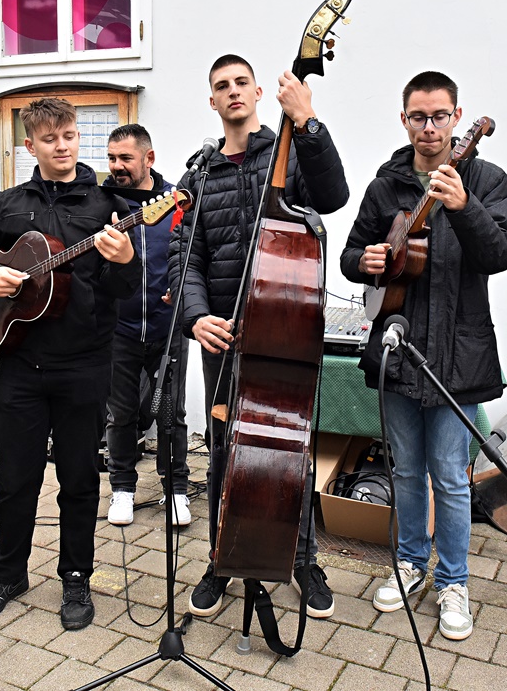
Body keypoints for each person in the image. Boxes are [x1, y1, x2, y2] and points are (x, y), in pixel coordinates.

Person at [0, 98, 140, 631]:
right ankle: (8, 574)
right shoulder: (6, 205)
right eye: (50, 139)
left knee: (79, 479)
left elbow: (126, 288)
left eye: (69, 135)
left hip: (85, 364)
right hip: (21, 365)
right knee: (14, 478)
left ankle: (75, 577)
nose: (63, 146)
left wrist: (126, 261)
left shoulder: (107, 204)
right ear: (30, 145)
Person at [340, 70, 507, 641]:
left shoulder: (487, 179)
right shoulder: (386, 184)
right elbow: (350, 253)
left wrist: (464, 207)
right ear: (404, 120)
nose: (429, 127)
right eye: (418, 116)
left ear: (457, 117)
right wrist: (364, 261)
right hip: (397, 346)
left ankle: (454, 581)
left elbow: (501, 253)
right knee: (406, 469)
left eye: (440, 116)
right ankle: (411, 562)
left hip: (458, 356)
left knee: (450, 475)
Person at [170, 54, 349, 619]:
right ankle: (221, 559)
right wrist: (196, 316)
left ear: (256, 92)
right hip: (224, 337)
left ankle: (302, 560)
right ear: (212, 100)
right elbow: (185, 256)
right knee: (224, 451)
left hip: (286, 329)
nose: (233, 91)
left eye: (241, 82)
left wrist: (309, 122)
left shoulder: (288, 151)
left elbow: (333, 195)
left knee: (292, 449)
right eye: (221, 85)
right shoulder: (199, 175)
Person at [101, 123, 191, 527]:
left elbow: (192, 254)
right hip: (118, 329)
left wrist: (181, 287)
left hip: (168, 328)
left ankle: (176, 489)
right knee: (120, 414)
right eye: (111, 158)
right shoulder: (100, 202)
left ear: (149, 158)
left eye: (125, 158)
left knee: (173, 413)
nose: (116, 166)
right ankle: (122, 489)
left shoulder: (176, 200)